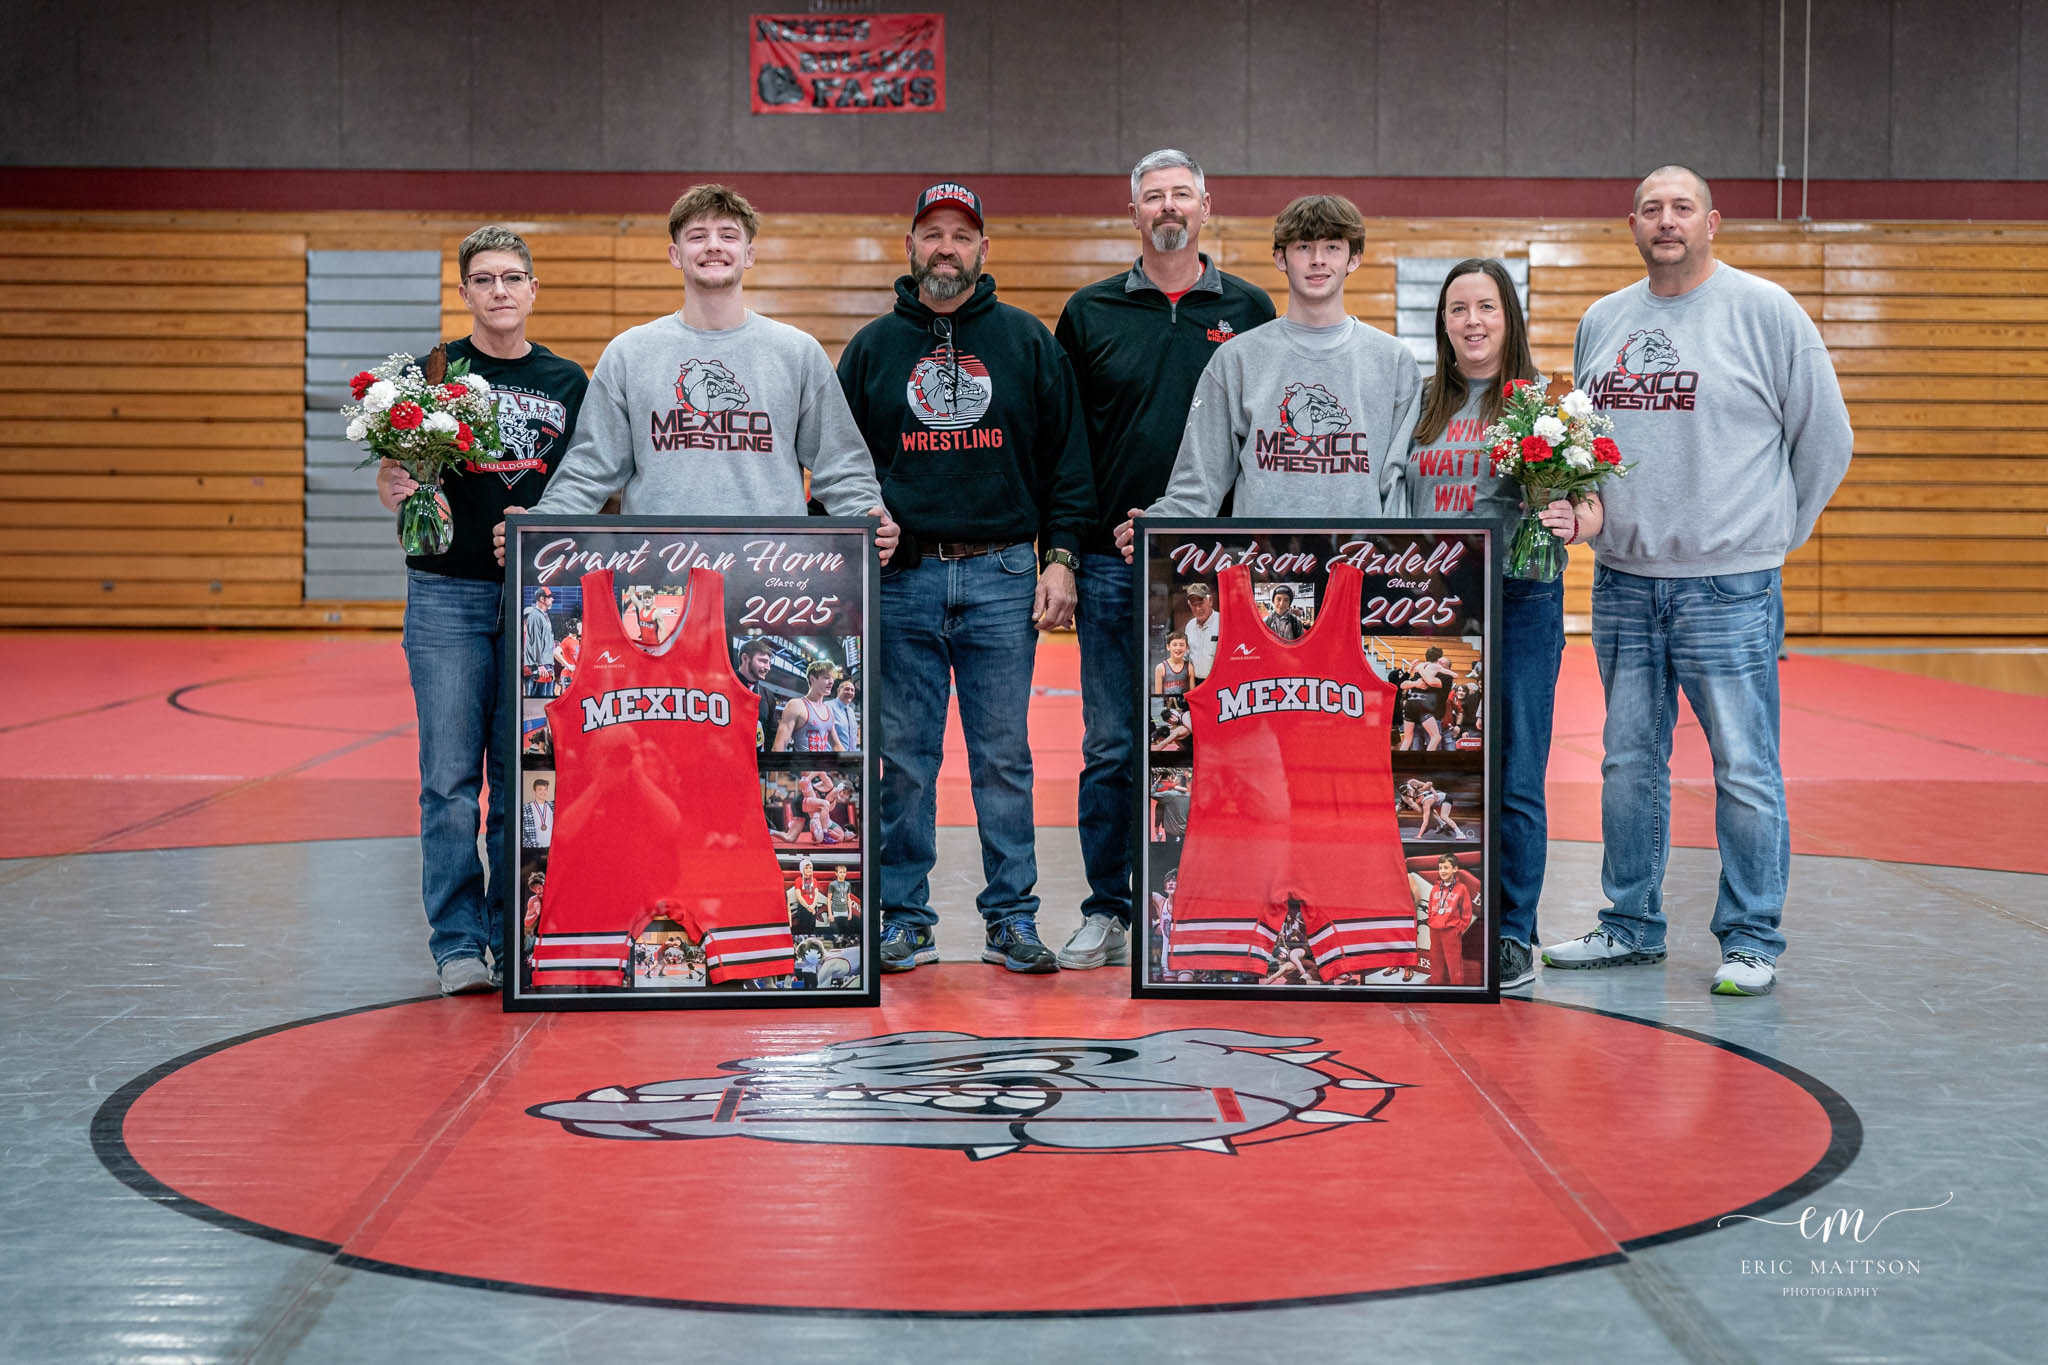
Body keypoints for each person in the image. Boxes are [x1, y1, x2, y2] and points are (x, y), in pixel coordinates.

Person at [1540, 166, 1852, 997]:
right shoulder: (1603, 320)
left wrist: (1771, 538)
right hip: (1626, 582)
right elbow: (1586, 449)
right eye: (1652, 210)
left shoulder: (1766, 311)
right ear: (1632, 224)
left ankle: (1751, 938)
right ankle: (1628, 924)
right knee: (1626, 762)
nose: (1666, 222)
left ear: (1712, 221)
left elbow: (1827, 440)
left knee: (1745, 766)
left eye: (1682, 209)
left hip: (1730, 587)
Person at [835, 181, 1096, 974]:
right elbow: (842, 470)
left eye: (961, 235)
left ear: (984, 250)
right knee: (905, 759)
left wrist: (1061, 557)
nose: (946, 247)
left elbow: (1068, 463)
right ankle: (903, 917)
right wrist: (849, 551)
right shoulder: (874, 348)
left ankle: (1011, 917)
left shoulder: (1026, 342)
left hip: (1005, 572)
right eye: (932, 234)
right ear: (910, 247)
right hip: (903, 576)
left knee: (1004, 758)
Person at [1052, 149, 1277, 972]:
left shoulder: (1252, 309)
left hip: (1221, 573)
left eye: (1182, 193)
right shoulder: (1089, 312)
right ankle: (1109, 908)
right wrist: (1066, 555)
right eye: (1154, 196)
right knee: (1113, 744)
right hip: (1115, 568)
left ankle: (1220, 902)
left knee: (1225, 741)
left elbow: (1266, 444)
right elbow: (1067, 450)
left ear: (1207, 207)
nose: (1168, 206)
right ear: (1134, 213)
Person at [374, 224, 588, 996]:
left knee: (525, 774)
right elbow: (396, 471)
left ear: (533, 290)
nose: (500, 290)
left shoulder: (570, 382)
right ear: (464, 292)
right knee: (449, 778)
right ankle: (458, 940)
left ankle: (512, 931)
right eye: (484, 278)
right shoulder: (431, 375)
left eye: (513, 277)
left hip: (538, 599)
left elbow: (592, 486)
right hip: (446, 593)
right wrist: (394, 487)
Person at [490, 184, 897, 562]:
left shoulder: (796, 352)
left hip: (770, 574)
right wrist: (540, 525)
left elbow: (841, 463)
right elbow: (590, 467)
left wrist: (868, 514)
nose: (714, 246)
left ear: (749, 254)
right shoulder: (629, 353)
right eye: (698, 236)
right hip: (657, 571)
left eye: (728, 235)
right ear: (675, 255)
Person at [1115, 194, 1422, 552]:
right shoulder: (1236, 359)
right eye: (1304, 246)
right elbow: (1199, 481)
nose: (1318, 260)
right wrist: (1157, 528)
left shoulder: (1395, 361)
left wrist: (1393, 566)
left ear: (1354, 258)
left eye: (1333, 247)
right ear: (1281, 258)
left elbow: (1398, 488)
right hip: (1264, 574)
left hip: (1360, 570)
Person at [1424, 854, 1476, 987]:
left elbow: (1467, 911)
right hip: (1435, 930)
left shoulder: (1461, 888)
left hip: (1451, 931)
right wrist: (1432, 920)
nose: (1442, 871)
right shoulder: (1435, 888)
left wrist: (1459, 928)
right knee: (1435, 961)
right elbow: (1430, 907)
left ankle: (1457, 988)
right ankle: (1435, 987)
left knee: (1454, 962)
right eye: (1440, 868)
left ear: (1455, 869)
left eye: (1446, 867)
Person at [774, 661, 843, 752]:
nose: (831, 682)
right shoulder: (796, 705)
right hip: (802, 765)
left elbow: (837, 745)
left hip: (824, 766)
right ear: (812, 679)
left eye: (832, 678)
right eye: (826, 678)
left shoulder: (828, 709)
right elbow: (779, 746)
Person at [1400, 644, 1457, 751]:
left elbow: (1431, 681)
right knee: (1418, 743)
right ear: (1437, 659)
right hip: (1421, 710)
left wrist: (1420, 668)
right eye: (1440, 661)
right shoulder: (1426, 671)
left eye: (1442, 663)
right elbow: (1403, 685)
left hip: (1432, 716)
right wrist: (1415, 683)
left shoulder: (1445, 677)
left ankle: (1428, 763)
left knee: (1432, 740)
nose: (1439, 663)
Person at [734, 637, 779, 749]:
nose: (768, 668)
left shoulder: (768, 694)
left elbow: (772, 732)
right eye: (763, 661)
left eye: (769, 663)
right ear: (745, 658)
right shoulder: (725, 685)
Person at [1180, 582, 1221, 682]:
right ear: (1189, 605)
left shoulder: (1223, 622)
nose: (1198, 609)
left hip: (1218, 683)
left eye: (1201, 603)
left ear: (1210, 600)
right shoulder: (1189, 626)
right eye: (1194, 605)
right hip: (1195, 683)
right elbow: (1186, 656)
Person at [521, 585, 557, 696]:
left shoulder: (543, 616)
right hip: (540, 667)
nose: (552, 599)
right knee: (538, 700)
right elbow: (535, 642)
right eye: (550, 597)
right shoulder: (536, 616)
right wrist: (539, 665)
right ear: (542, 599)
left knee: (546, 698)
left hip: (546, 665)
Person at [826, 677, 861, 751]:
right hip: (834, 756)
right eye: (847, 689)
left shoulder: (851, 711)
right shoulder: (828, 706)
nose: (850, 692)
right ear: (839, 690)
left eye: (852, 690)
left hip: (850, 757)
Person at [521, 776, 554, 849]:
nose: (543, 792)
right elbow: (521, 833)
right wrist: (534, 848)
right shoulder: (525, 808)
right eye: (540, 789)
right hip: (535, 849)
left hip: (551, 848)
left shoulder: (553, 806)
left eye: (545, 789)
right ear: (534, 790)